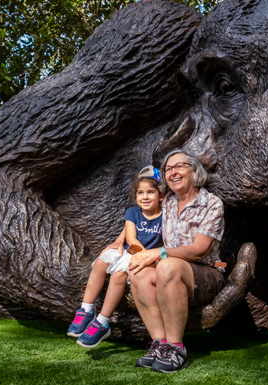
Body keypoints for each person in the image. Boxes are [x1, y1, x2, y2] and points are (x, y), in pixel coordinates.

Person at [129, 149, 226, 373]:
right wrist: (118, 242)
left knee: (167, 265)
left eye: (179, 166)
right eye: (168, 169)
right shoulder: (169, 202)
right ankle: (159, 344)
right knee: (137, 270)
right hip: (170, 270)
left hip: (206, 274)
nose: (173, 172)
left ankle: (176, 348)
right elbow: (140, 217)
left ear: (194, 170)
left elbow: (199, 251)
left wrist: (158, 253)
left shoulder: (212, 204)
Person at [67, 165, 164, 348]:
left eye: (150, 192)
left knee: (119, 274)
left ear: (161, 196)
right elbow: (131, 238)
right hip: (130, 250)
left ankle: (102, 321)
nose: (144, 197)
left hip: (146, 259)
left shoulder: (165, 217)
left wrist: (146, 257)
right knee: (101, 262)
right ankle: (86, 310)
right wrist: (126, 246)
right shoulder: (133, 213)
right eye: (140, 193)